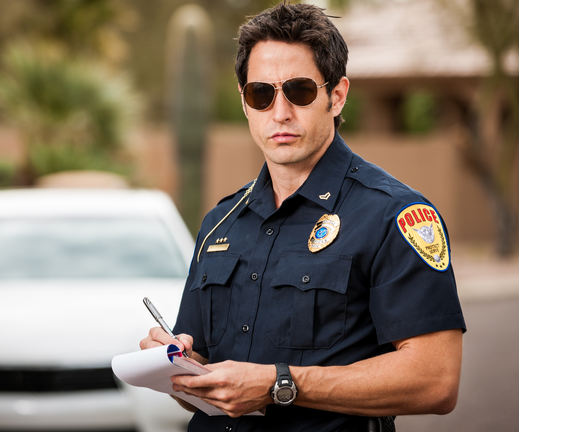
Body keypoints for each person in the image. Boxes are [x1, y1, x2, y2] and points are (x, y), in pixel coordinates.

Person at [140, 2, 466, 431]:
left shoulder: (395, 215)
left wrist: (280, 384)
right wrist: (178, 368)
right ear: (244, 103)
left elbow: (436, 381)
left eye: (299, 90)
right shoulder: (220, 223)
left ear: (337, 95)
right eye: (261, 93)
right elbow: (206, 380)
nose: (280, 113)